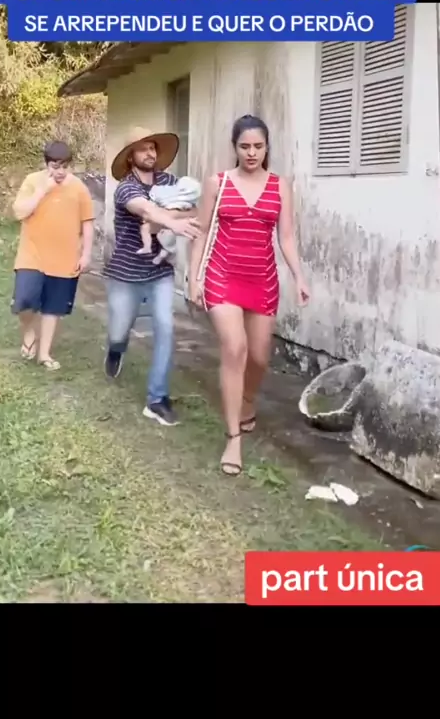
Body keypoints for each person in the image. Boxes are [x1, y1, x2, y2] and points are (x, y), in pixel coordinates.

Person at [189, 114, 310, 476]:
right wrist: (194, 277)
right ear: (235, 147)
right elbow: (202, 231)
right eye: (245, 146)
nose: (252, 152)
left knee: (258, 357)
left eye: (258, 146)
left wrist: (299, 276)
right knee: (235, 348)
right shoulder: (218, 183)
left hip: (263, 280)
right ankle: (233, 438)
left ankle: (246, 399)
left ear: (267, 147)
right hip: (222, 275)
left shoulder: (280, 186)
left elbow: (286, 237)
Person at [103, 126, 200, 426]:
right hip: (125, 273)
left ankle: (156, 400)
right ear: (130, 156)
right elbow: (144, 209)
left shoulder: (169, 182)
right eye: (143, 148)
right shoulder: (126, 188)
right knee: (119, 332)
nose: (149, 153)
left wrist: (168, 220)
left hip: (160, 272)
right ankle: (116, 349)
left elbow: (193, 209)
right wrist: (169, 221)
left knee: (165, 328)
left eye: (152, 148)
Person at [11, 140, 95, 371]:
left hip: (64, 258)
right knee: (24, 301)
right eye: (55, 166)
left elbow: (87, 223)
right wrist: (42, 191)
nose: (60, 172)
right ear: (46, 164)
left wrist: (86, 254)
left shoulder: (79, 188)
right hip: (32, 255)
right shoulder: (32, 181)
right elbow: (19, 212)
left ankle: (44, 354)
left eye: (64, 166)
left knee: (52, 308)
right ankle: (29, 333)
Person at [137, 175, 202, 265]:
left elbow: (196, 212)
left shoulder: (169, 181)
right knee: (148, 229)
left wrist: (171, 215)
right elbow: (147, 212)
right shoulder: (129, 187)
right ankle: (156, 249)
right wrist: (175, 215)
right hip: (168, 226)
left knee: (152, 230)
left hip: (173, 228)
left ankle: (153, 248)